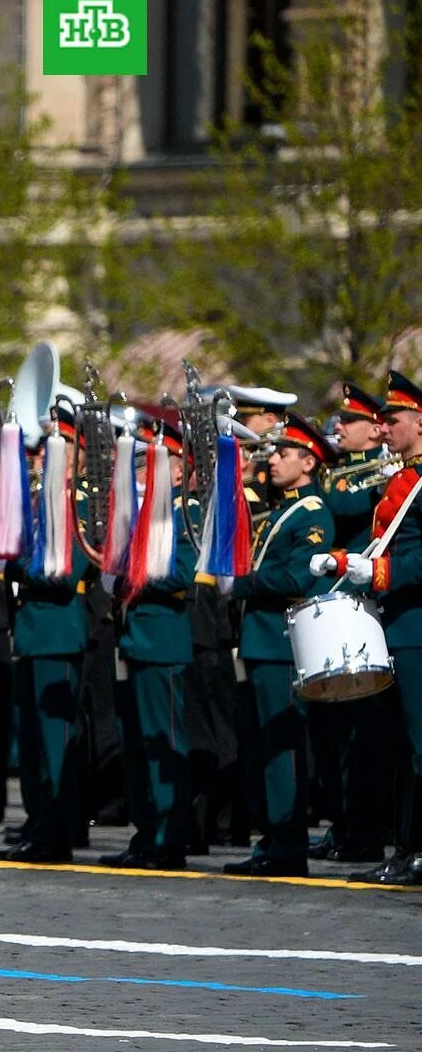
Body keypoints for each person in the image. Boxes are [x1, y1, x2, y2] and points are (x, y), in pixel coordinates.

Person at [323, 370, 422, 885]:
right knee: (404, 747)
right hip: (399, 626)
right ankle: (406, 849)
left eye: (393, 419)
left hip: (418, 628)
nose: (383, 428)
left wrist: (378, 572)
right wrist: (344, 564)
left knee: (420, 744)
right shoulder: (403, 479)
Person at [226, 412, 336, 877]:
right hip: (261, 640)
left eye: (285, 453)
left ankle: (288, 844)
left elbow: (298, 575)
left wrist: (243, 584)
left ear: (308, 462)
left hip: (282, 641)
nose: (274, 459)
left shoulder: (311, 513)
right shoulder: (283, 509)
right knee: (263, 746)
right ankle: (273, 838)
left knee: (283, 747)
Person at [102, 421, 200, 872]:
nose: (148, 467)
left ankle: (168, 838)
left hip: (162, 639)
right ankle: (146, 834)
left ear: (180, 470)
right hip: (137, 637)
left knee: (165, 744)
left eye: (161, 459)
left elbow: (182, 573)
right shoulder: (146, 511)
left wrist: (133, 570)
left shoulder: (186, 511)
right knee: (139, 745)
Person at [0, 408, 89, 864]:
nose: (42, 457)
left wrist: (23, 569)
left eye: (55, 448)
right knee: (31, 743)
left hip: (58, 632)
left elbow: (69, 574)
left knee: (56, 743)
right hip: (33, 631)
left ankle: (57, 830)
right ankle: (38, 823)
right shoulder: (37, 500)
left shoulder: (81, 503)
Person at [309, 382, 393, 863]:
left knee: (362, 730)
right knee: (333, 730)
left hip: (361, 604)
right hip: (334, 603)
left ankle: (364, 828)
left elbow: (338, 507)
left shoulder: (372, 473)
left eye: (349, 420)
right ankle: (343, 823)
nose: (338, 426)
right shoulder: (342, 471)